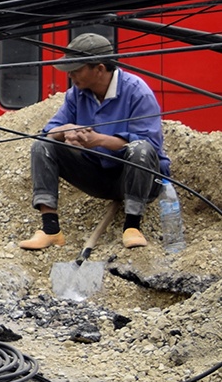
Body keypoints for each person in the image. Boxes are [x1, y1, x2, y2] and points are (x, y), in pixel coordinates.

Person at [17, 32, 168, 251]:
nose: (71, 76)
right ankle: (50, 230)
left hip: (139, 180)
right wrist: (65, 130)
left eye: (76, 70)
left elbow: (150, 147)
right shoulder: (75, 95)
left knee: (140, 149)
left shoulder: (137, 92)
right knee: (43, 145)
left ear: (99, 69)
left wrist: (100, 140)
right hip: (97, 176)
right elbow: (48, 133)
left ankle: (132, 226)